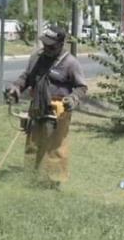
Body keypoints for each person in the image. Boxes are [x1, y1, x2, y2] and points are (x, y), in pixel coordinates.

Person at [5, 25, 87, 187]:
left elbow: (81, 87)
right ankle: (31, 178)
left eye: (51, 45)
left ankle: (53, 183)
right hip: (36, 106)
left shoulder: (70, 63)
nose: (47, 48)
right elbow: (27, 77)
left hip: (58, 109)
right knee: (33, 144)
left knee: (55, 148)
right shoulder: (37, 56)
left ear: (61, 43)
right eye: (45, 44)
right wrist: (16, 87)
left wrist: (72, 98)